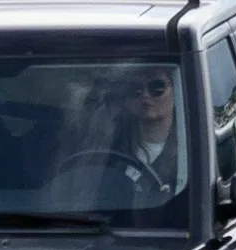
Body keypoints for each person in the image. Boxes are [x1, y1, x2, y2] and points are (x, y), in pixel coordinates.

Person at [67, 66, 189, 210]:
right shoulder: (108, 145)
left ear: (176, 92)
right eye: (136, 90)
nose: (145, 95)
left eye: (157, 88)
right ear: (126, 100)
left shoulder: (191, 149)